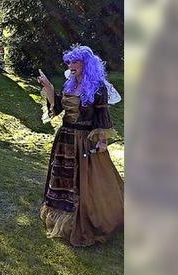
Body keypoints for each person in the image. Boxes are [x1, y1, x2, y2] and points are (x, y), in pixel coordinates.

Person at [37, 45, 123, 247]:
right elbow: (57, 108)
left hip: (84, 141)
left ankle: (88, 219)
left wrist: (102, 141)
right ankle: (61, 216)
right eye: (68, 62)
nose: (70, 65)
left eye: (74, 62)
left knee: (85, 181)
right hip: (65, 138)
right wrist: (49, 88)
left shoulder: (97, 87)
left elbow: (102, 116)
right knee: (63, 177)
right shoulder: (69, 84)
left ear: (86, 64)